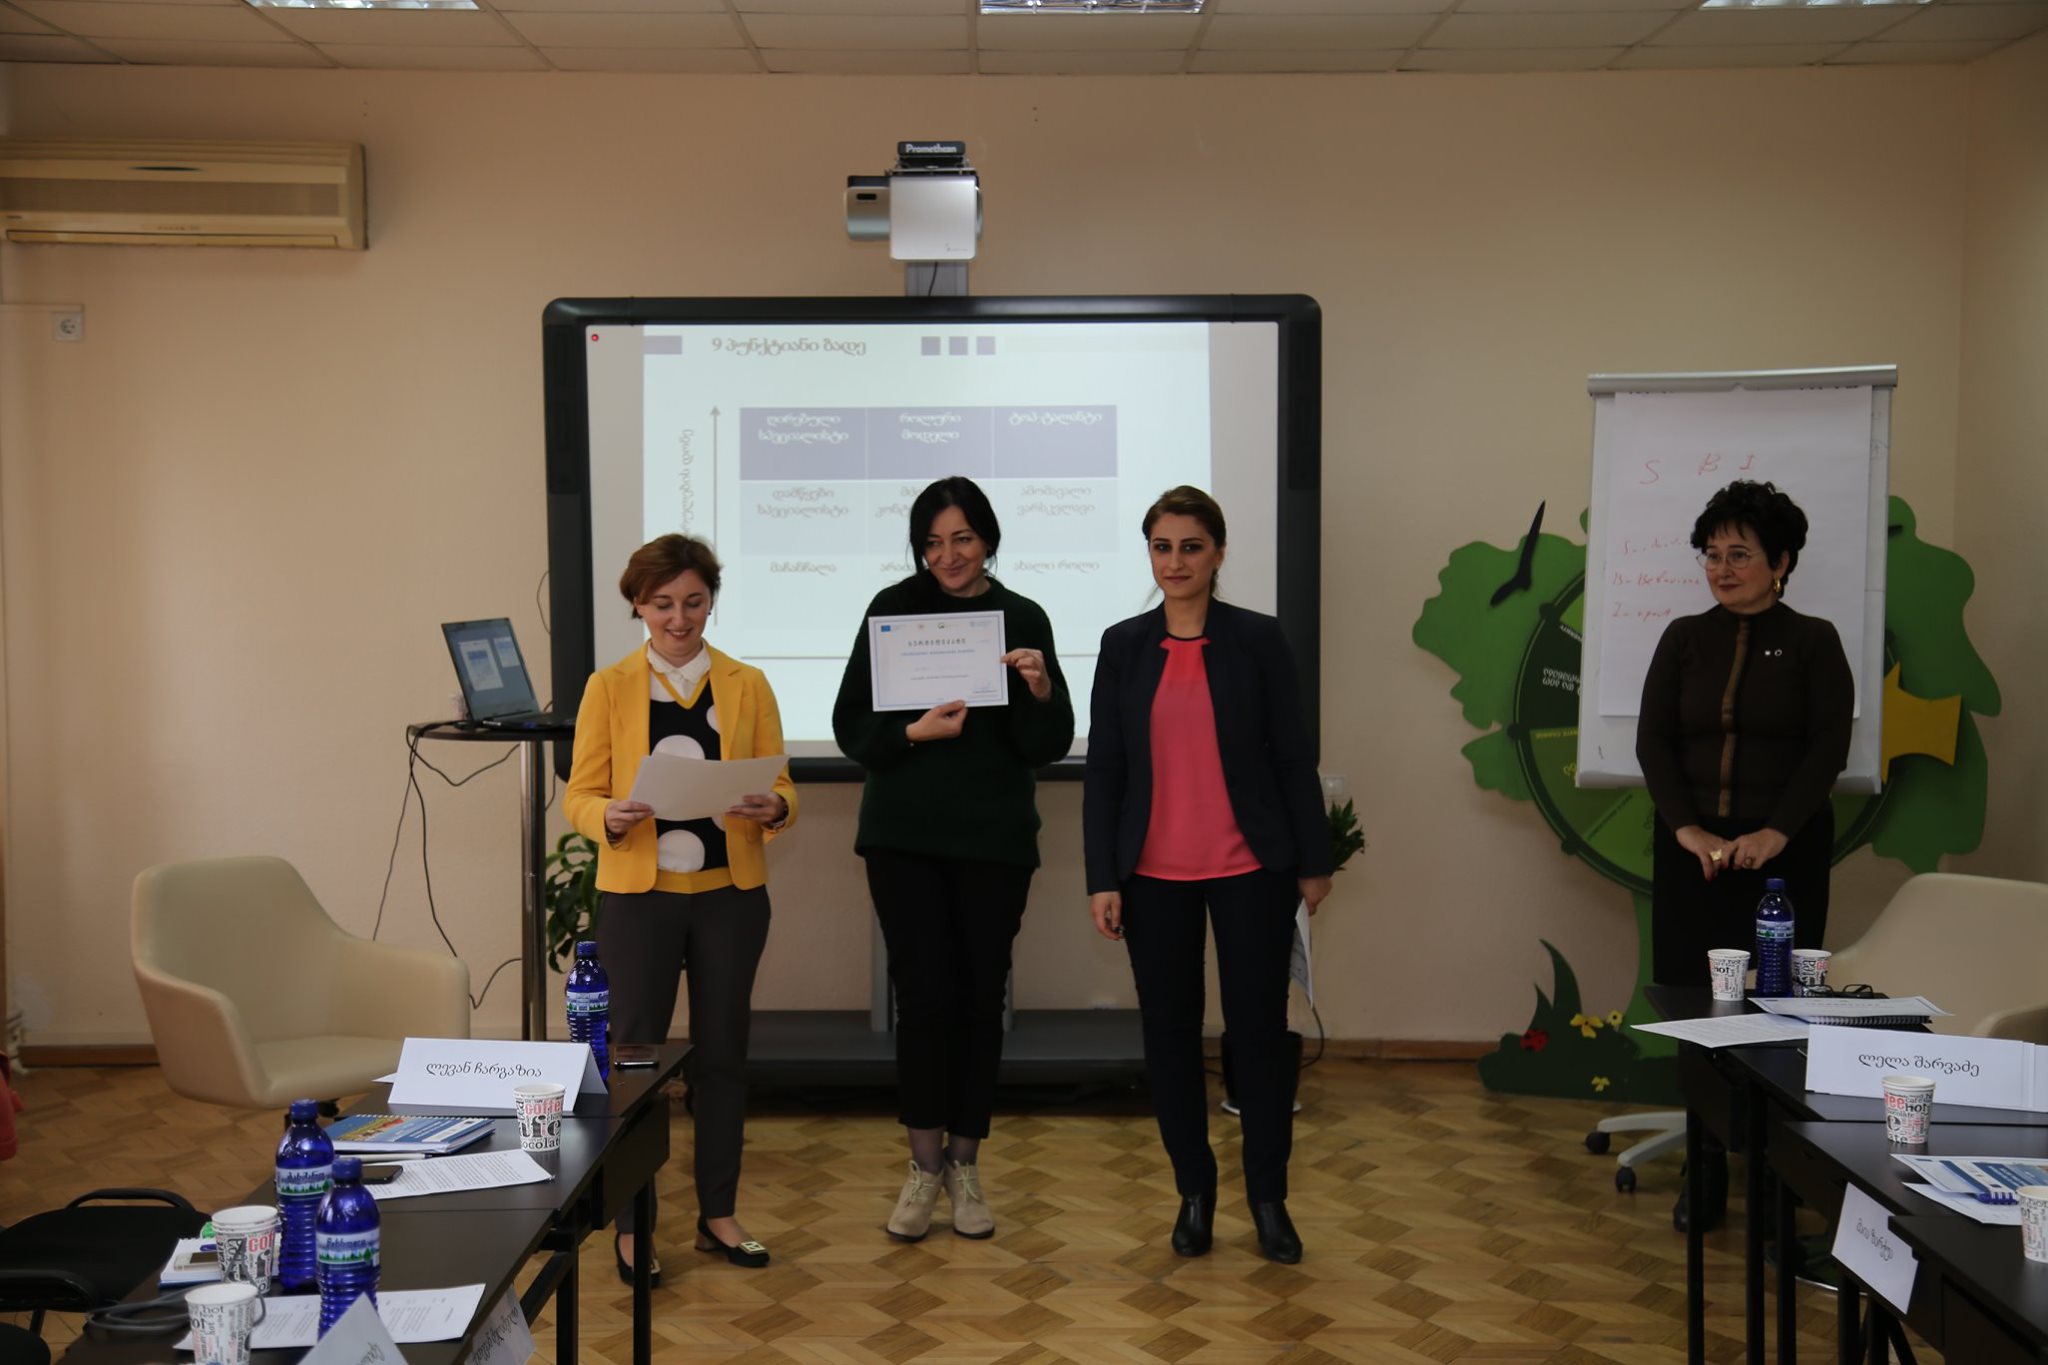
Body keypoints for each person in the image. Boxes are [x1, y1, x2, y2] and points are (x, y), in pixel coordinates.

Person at [1082, 485, 1331, 1266]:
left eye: (1191, 546)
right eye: (1162, 546)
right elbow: (1105, 770)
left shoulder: (1258, 639)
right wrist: (1101, 875)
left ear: (1218, 553)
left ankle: (1269, 1200)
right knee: (1169, 1038)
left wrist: (1314, 860)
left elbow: (1293, 756)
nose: (1175, 561)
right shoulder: (1123, 644)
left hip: (1251, 869)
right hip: (1152, 875)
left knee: (1258, 1040)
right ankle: (1194, 1192)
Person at [832, 475, 1074, 1243]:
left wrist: (1038, 686)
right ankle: (923, 1165)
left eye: (962, 538)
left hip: (993, 842)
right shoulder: (891, 609)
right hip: (903, 839)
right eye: (932, 542)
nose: (948, 555)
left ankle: (966, 1166)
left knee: (979, 1000)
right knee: (924, 999)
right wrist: (911, 733)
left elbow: (1046, 743)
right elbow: (850, 724)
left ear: (988, 538)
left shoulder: (1024, 616)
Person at [565, 533, 797, 1281]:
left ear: (711, 601)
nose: (679, 618)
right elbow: (580, 793)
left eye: (694, 602)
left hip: (731, 897)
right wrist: (606, 815)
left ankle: (718, 1214)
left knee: (724, 1058)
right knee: (635, 1062)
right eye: (662, 603)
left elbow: (783, 787)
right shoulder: (609, 686)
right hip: (641, 902)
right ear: (638, 604)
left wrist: (775, 807)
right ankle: (634, 1227)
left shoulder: (747, 683)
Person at [1636, 479, 1853, 990]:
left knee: (1775, 1000)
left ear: (1780, 563)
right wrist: (1687, 830)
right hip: (1693, 853)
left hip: (1785, 851)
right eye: (1712, 556)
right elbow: (1653, 741)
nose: (1721, 570)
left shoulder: (1814, 640)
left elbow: (1828, 748)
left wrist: (1774, 833)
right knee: (1687, 996)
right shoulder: (1683, 637)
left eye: (1738, 555)